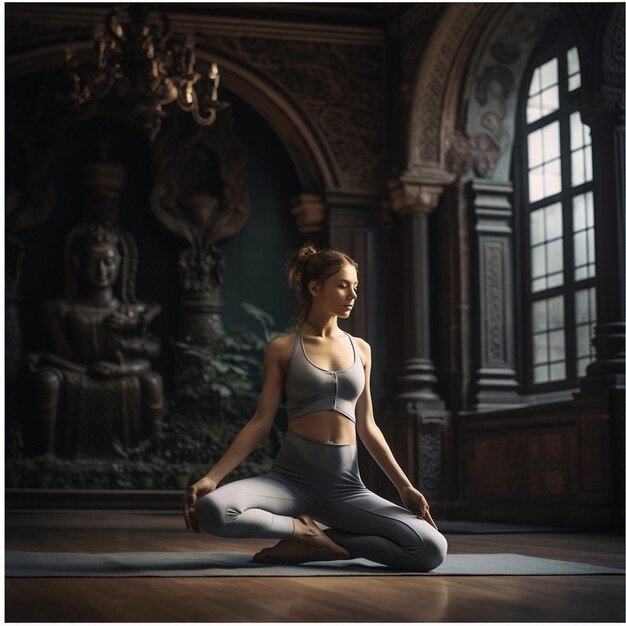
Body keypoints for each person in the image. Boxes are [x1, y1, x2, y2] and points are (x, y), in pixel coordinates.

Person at [182, 244, 447, 571]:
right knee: (214, 511)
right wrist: (212, 478)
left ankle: (314, 545)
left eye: (355, 287)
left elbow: (367, 426)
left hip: (346, 487)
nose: (352, 294)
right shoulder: (283, 348)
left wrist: (404, 486)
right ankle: (301, 532)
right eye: (342, 285)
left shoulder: (361, 350)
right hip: (290, 482)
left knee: (431, 548)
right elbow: (260, 423)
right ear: (314, 287)